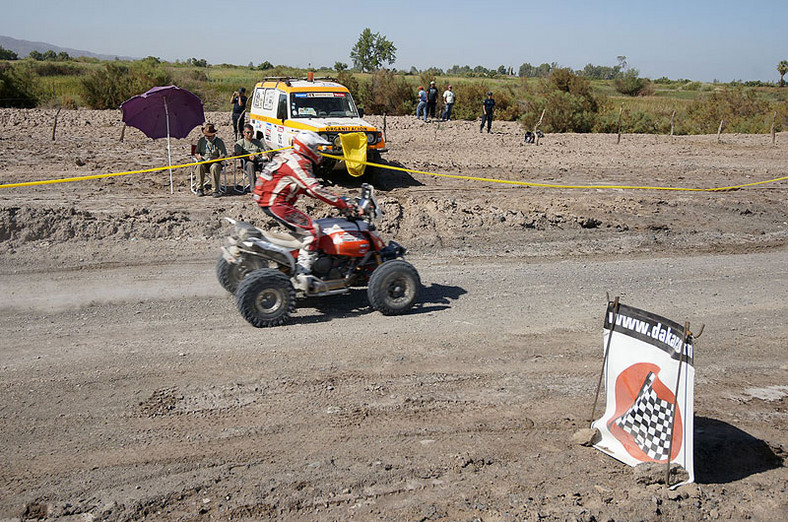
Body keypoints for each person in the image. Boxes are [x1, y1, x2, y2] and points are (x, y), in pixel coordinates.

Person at [252, 130, 360, 290]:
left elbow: (305, 187)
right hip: (275, 202)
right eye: (316, 149)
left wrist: (332, 198)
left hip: (268, 197)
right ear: (307, 149)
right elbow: (316, 189)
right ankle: (303, 274)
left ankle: (295, 262)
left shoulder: (290, 155)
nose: (319, 152)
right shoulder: (299, 163)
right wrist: (342, 204)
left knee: (302, 233)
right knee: (312, 230)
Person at [194, 123, 227, 197]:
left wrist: (215, 160)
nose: (207, 137)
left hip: (215, 162)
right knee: (199, 166)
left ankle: (215, 190)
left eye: (209, 136)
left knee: (214, 167)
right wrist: (198, 156)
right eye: (206, 135)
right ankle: (199, 188)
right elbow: (196, 152)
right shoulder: (201, 141)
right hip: (204, 161)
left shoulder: (219, 142)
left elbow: (223, 155)